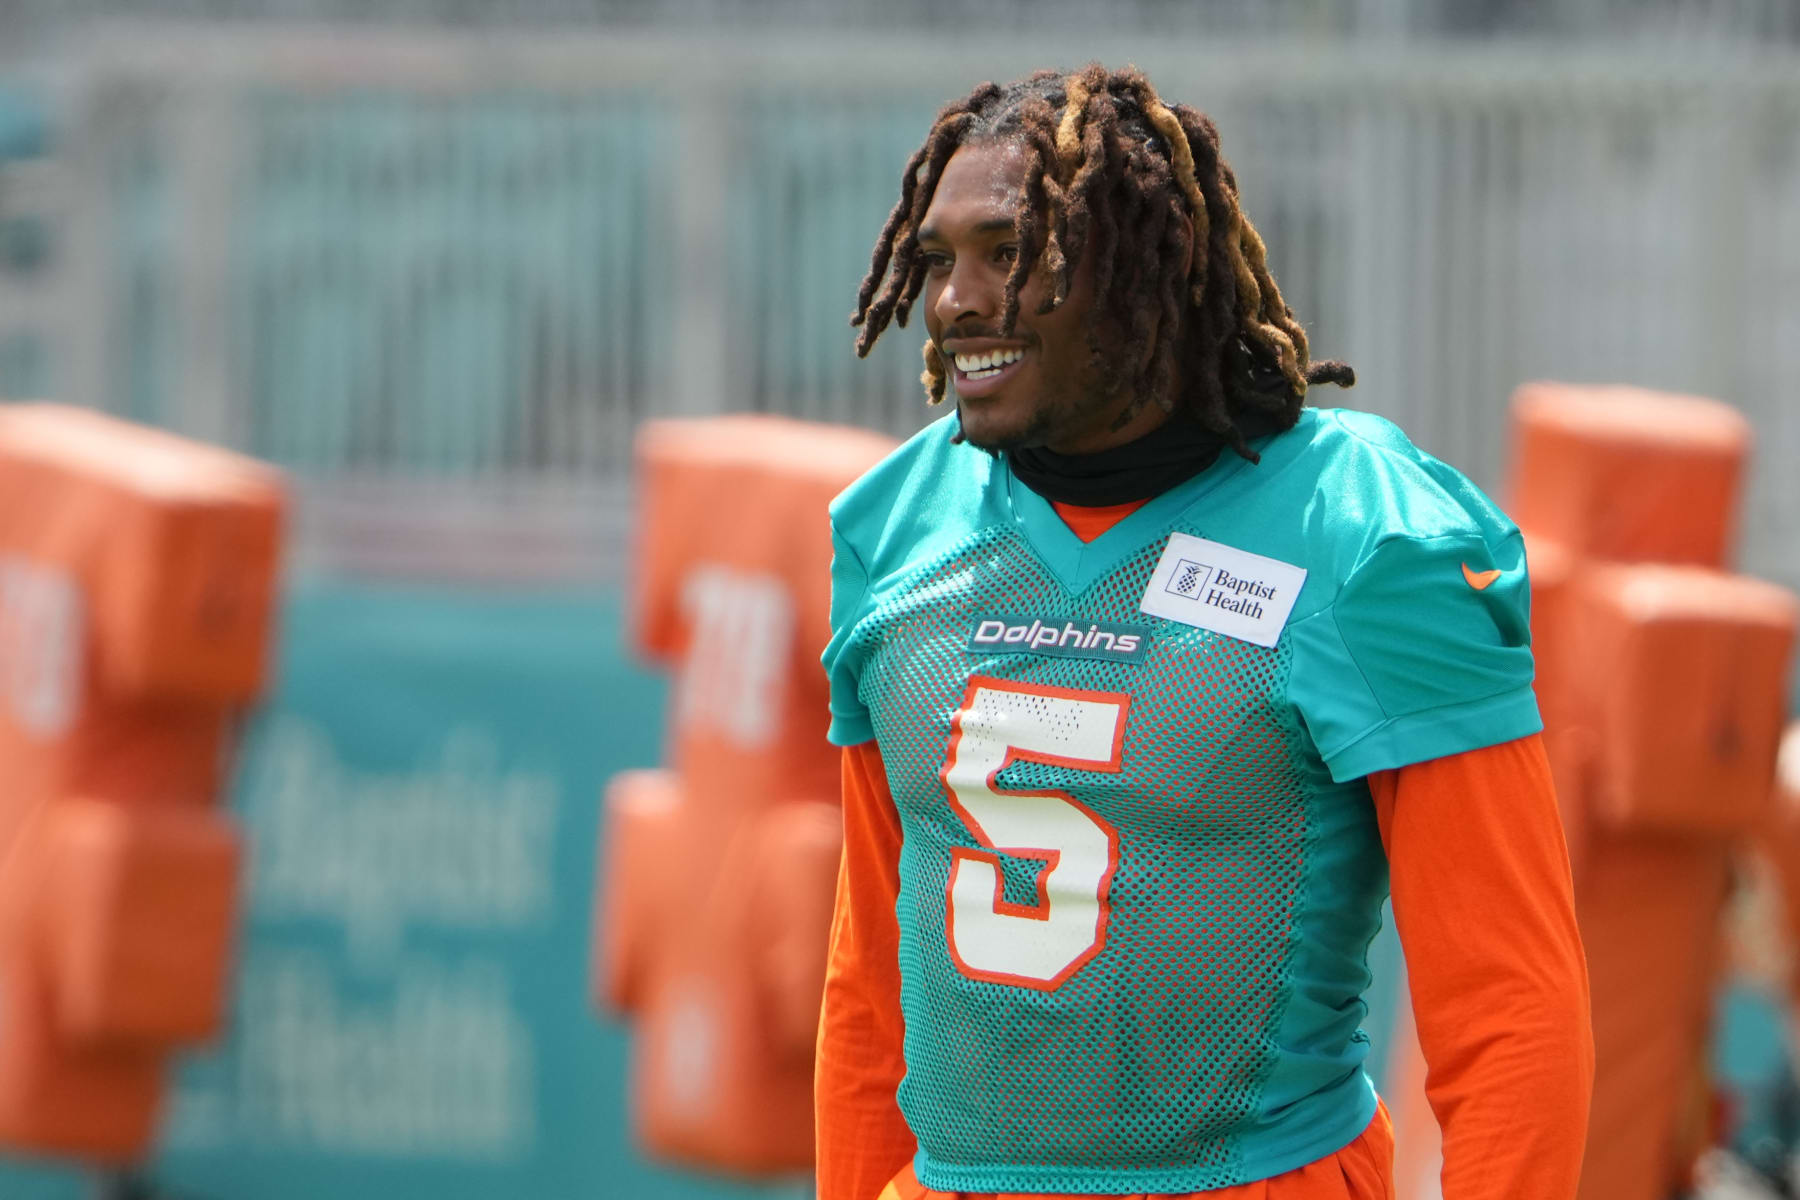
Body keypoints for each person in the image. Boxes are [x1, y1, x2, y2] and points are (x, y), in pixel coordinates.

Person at [815, 64, 1593, 1200]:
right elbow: (867, 999)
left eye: (1011, 252)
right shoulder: (892, 530)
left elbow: (1513, 1006)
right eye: (938, 260)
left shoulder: (1363, 533)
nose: (955, 303)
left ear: (1143, 278)